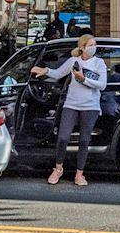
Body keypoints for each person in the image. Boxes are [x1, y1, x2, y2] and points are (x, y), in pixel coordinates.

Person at [32, 34, 107, 187]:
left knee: (84, 140)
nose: (94, 48)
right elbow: (58, 73)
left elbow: (102, 85)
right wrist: (45, 70)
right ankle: (58, 168)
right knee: (63, 137)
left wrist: (83, 79)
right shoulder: (74, 61)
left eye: (95, 44)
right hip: (71, 104)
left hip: (90, 106)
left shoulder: (99, 63)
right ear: (82, 47)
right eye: (90, 45)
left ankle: (79, 174)